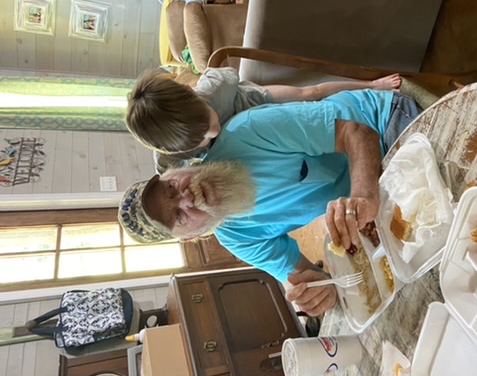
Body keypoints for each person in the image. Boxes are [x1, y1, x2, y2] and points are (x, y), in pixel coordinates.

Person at [118, 89, 423, 316]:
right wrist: (320, 291)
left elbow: (356, 133)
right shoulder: (236, 238)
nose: (186, 198)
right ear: (190, 236)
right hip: (375, 197)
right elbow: (307, 277)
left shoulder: (246, 131)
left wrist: (364, 196)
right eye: (179, 216)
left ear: (175, 171)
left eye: (172, 188)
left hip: (386, 126)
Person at [125, 67, 401, 173]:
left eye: (207, 118)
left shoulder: (216, 86)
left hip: (255, 104)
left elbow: (225, 74)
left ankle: (372, 85)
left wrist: (372, 86)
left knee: (310, 94)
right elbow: (166, 179)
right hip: (244, 148)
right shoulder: (168, 159)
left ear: (194, 93)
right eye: (200, 138)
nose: (212, 132)